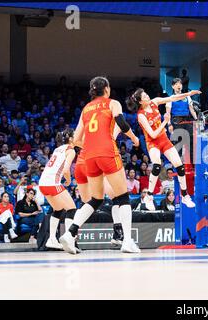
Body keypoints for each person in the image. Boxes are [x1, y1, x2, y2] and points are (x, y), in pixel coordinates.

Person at [60, 76, 141, 254]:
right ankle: (127, 241)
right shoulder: (113, 103)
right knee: (123, 198)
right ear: (106, 89)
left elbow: (76, 139)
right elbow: (121, 122)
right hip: (107, 152)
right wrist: (135, 139)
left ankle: (70, 232)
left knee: (95, 199)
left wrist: (92, 145)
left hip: (89, 156)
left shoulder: (86, 108)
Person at [127, 87, 200, 211]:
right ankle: (149, 196)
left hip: (164, 140)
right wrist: (165, 121)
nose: (147, 97)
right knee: (156, 165)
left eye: (146, 94)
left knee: (179, 166)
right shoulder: (141, 116)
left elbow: (172, 98)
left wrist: (188, 94)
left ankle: (184, 195)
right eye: (144, 97)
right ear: (140, 102)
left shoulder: (154, 102)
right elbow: (153, 135)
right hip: (152, 142)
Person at [165, 78, 198, 163]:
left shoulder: (187, 97)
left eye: (180, 84)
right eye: (176, 84)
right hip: (176, 121)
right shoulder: (170, 98)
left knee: (191, 140)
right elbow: (167, 113)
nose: (178, 85)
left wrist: (197, 119)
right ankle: (177, 164)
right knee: (178, 143)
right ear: (173, 86)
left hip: (187, 120)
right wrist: (169, 124)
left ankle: (193, 162)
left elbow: (192, 110)